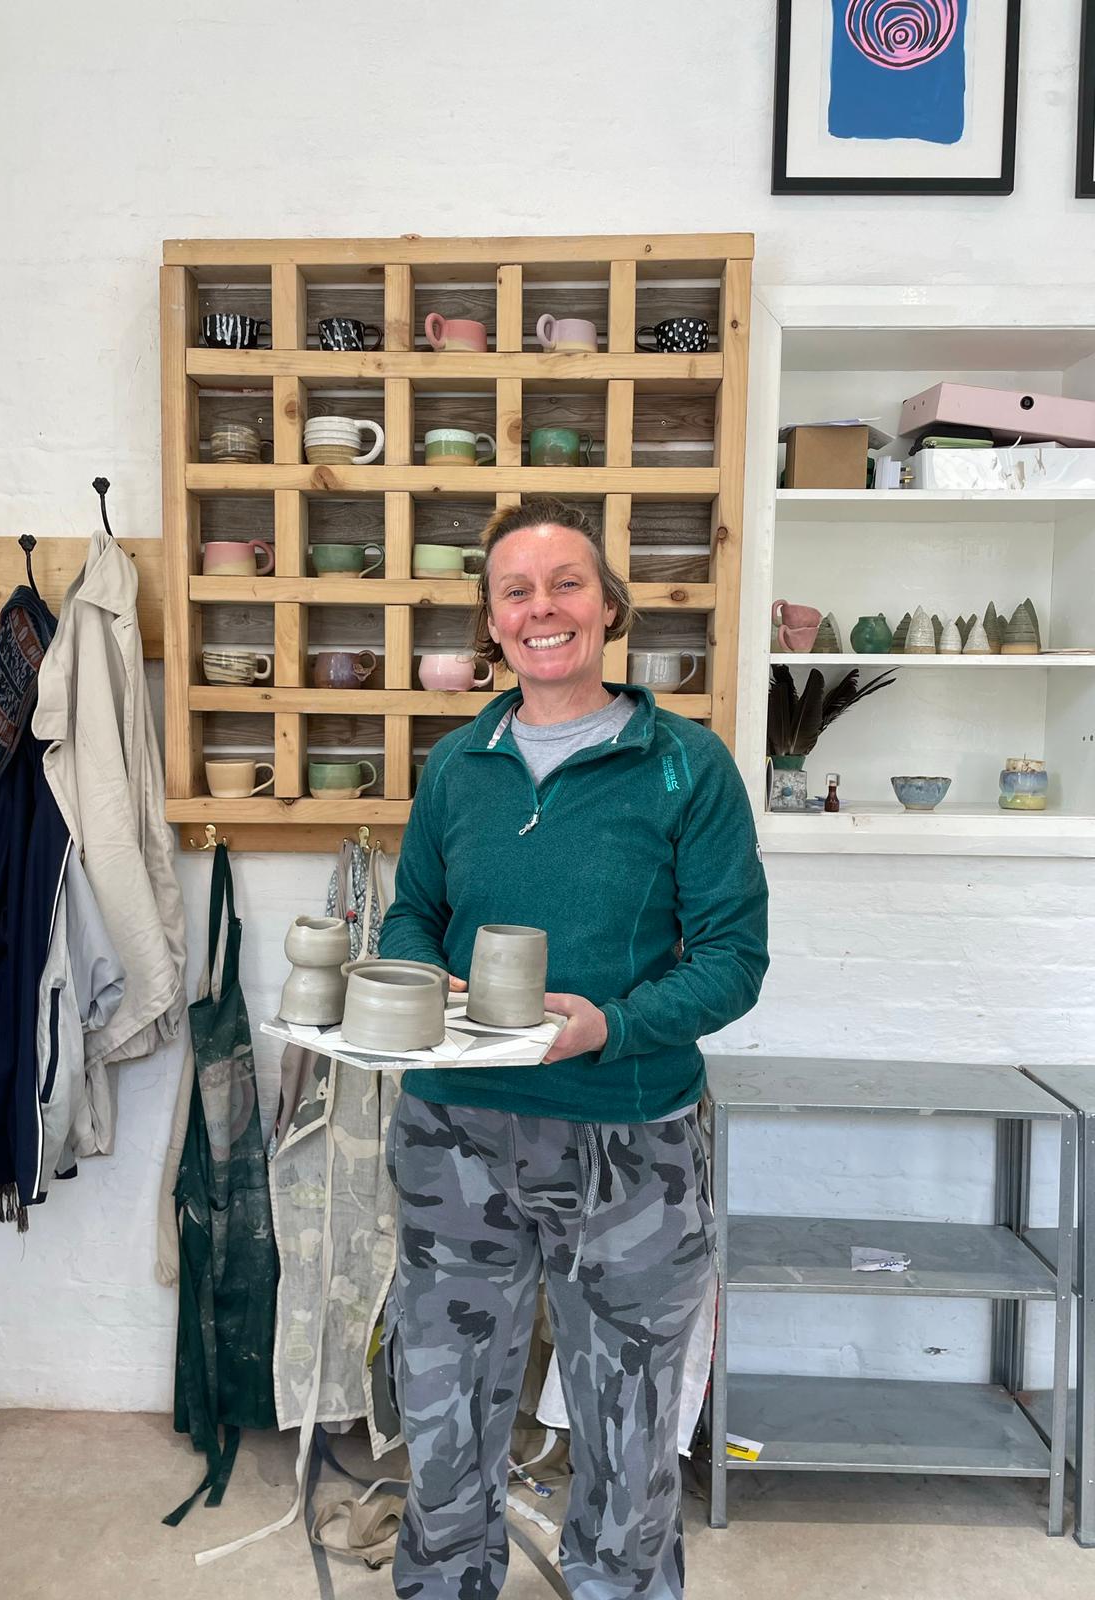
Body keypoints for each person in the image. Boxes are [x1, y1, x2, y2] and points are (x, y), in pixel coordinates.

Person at [379, 498, 769, 1600]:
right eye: (516, 591)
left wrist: (612, 1025)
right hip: (452, 1130)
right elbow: (412, 912)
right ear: (492, 625)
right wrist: (425, 979)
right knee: (448, 1409)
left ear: (608, 607)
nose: (542, 607)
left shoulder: (686, 765)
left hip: (628, 1135)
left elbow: (734, 959)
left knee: (631, 1421)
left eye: (565, 584)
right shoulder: (459, 765)